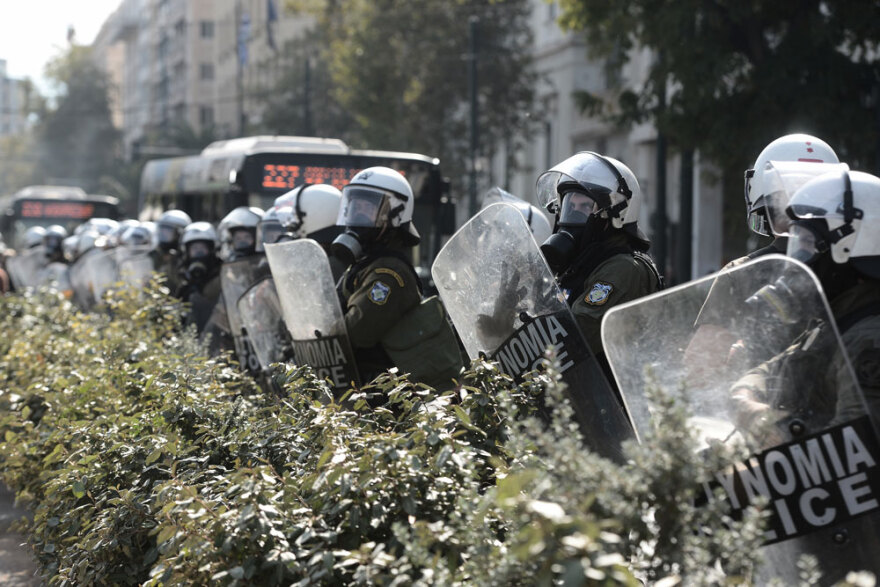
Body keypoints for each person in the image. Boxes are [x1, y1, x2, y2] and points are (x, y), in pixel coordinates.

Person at [730, 169, 880, 441]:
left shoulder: (868, 338)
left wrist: (769, 428)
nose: (798, 260)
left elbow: (856, 452)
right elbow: (764, 373)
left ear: (846, 248)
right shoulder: (831, 324)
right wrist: (748, 402)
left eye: (807, 244)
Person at [686, 134, 845, 383]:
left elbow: (700, 368)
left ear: (762, 194)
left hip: (760, 410)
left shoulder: (742, 271)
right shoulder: (857, 266)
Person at [331, 167, 463, 388]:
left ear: (395, 215)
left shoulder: (389, 274)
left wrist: (323, 332)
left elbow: (357, 332)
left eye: (368, 207)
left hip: (384, 401)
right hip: (361, 391)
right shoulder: (366, 265)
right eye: (355, 206)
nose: (358, 215)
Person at [535, 151, 662, 359]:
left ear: (615, 213)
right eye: (569, 207)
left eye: (585, 207)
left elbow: (574, 336)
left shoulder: (624, 268)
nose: (573, 216)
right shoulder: (578, 266)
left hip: (610, 390)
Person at [176, 221, 222, 334]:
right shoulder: (184, 285)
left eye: (202, 248)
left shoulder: (223, 277)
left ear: (212, 251)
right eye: (194, 249)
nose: (198, 252)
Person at [151, 209, 192, 293]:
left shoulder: (186, 260)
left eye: (167, 232)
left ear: (180, 234)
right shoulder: (154, 255)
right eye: (162, 231)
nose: (163, 234)